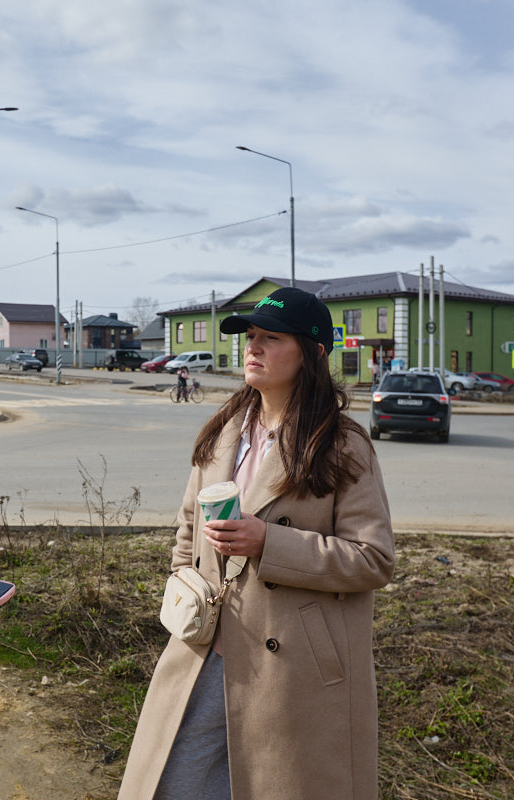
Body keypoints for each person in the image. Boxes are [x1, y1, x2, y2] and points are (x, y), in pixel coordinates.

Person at [119, 287, 395, 800]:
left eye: (271, 338)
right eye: (251, 337)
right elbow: (187, 528)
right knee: (167, 784)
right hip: (206, 647)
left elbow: (373, 559)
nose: (253, 348)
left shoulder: (341, 443)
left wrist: (269, 541)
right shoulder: (227, 430)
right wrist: (185, 591)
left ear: (312, 353)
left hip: (293, 671)